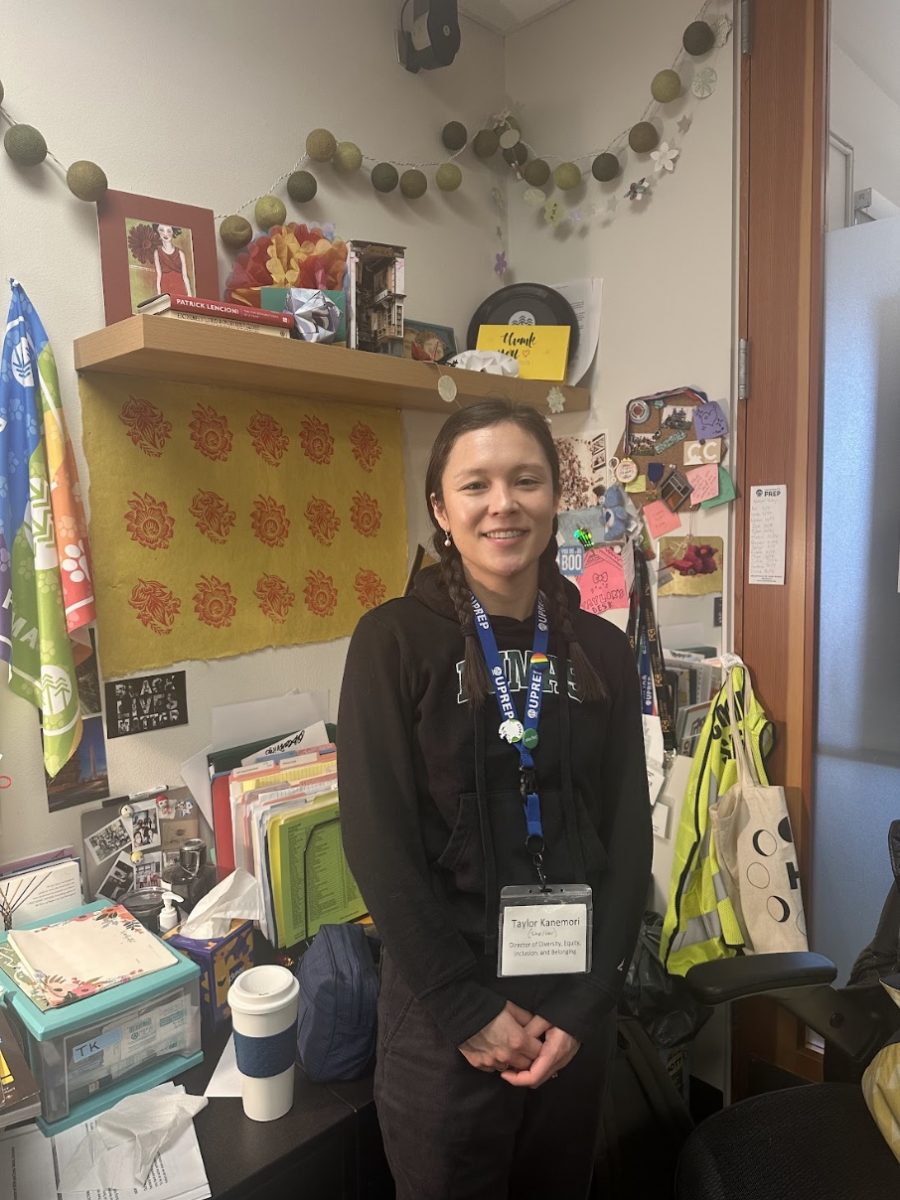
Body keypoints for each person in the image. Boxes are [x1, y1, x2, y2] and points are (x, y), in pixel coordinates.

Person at [338, 400, 651, 1200]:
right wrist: (464, 1007)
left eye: (526, 480)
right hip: (444, 1008)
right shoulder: (394, 641)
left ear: (555, 498)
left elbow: (627, 836)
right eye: (475, 484)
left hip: (569, 1008)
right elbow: (377, 844)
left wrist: (588, 1005)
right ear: (443, 510)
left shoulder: (604, 650)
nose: (502, 503)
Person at [153, 223, 192, 297]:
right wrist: (158, 294)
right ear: (157, 232)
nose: (165, 234)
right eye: (161, 230)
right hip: (165, 287)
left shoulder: (180, 253)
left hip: (180, 287)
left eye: (169, 231)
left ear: (173, 232)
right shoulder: (157, 252)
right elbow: (159, 275)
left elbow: (185, 276)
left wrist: (189, 295)